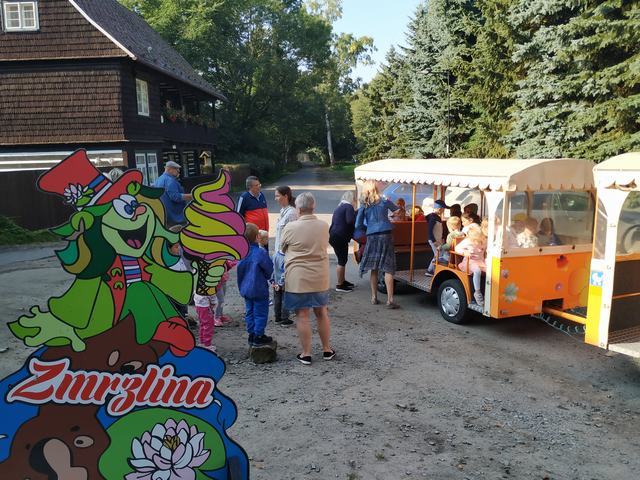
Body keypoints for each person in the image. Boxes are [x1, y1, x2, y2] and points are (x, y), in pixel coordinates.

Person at [280, 192, 335, 365]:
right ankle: (326, 349)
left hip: (298, 278)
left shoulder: (290, 227)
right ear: (313, 207)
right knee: (321, 312)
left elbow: (282, 248)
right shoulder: (324, 226)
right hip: (320, 277)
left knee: (302, 315)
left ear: (298, 209)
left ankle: (306, 353)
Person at [355, 181, 400, 309]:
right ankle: (390, 300)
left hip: (372, 236)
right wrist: (392, 216)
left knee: (374, 268)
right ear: (376, 188)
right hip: (386, 235)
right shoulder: (384, 201)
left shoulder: (364, 204)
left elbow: (358, 224)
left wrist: (368, 227)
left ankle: (374, 297)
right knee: (388, 267)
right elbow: (397, 210)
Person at [237, 223, 274, 347]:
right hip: (259, 288)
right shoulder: (260, 253)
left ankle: (251, 334)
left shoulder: (242, 253)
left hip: (245, 288)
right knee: (260, 312)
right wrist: (268, 277)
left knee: (249, 311)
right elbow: (269, 269)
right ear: (258, 237)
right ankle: (259, 335)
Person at [273, 186, 297, 326]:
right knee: (277, 285)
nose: (275, 198)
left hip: (285, 254)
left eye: (277, 196)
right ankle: (278, 315)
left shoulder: (291, 213)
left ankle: (284, 316)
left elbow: (291, 236)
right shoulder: (283, 211)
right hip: (278, 253)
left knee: (285, 286)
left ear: (286, 196)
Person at [329, 191, 356, 292]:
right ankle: (340, 285)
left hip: (334, 236)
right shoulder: (348, 206)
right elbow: (350, 220)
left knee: (343, 259)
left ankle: (342, 281)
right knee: (342, 260)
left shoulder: (340, 206)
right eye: (354, 199)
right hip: (340, 237)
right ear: (351, 199)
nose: (355, 201)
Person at [153, 161, 193, 227]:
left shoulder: (158, 179)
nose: (178, 171)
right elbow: (176, 197)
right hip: (175, 218)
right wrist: (192, 195)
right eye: (177, 169)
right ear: (170, 169)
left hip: (165, 216)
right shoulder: (170, 180)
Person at [455, 225, 487, 307]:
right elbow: (457, 248)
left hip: (481, 262)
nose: (476, 240)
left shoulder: (484, 241)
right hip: (470, 262)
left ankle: (489, 292)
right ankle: (477, 292)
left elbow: (488, 249)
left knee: (492, 271)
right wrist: (464, 252)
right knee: (477, 271)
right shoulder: (467, 241)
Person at [213, 260, 237, 328]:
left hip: (223, 279)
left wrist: (230, 263)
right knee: (220, 300)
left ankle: (220, 315)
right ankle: (216, 317)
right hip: (217, 281)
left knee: (222, 299)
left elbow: (227, 263)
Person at [425, 200, 447, 275]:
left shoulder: (436, 217)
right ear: (440, 209)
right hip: (434, 240)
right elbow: (430, 230)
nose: (443, 210)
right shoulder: (433, 217)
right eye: (443, 209)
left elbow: (439, 230)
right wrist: (433, 240)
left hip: (438, 239)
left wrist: (442, 238)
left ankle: (431, 270)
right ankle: (430, 270)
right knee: (438, 254)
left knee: (438, 254)